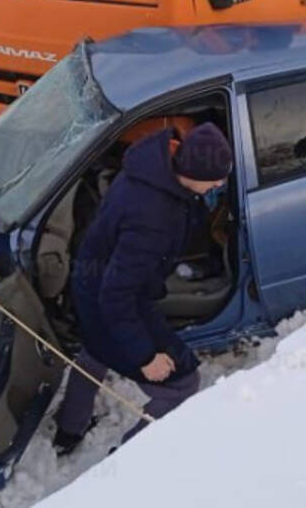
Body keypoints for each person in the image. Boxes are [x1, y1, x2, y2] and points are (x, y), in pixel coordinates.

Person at [53, 122, 233, 455]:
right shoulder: (152, 219)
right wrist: (145, 356)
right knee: (181, 385)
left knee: (94, 351)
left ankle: (69, 430)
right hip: (111, 297)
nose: (221, 184)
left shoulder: (151, 169)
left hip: (91, 280)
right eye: (216, 178)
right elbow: (116, 296)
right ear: (192, 170)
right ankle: (127, 461)